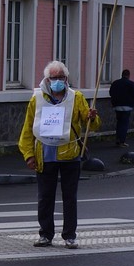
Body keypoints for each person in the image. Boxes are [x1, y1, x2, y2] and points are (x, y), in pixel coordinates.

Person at [19, 60, 100, 249]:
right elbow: (27, 130)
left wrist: (92, 117)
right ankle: (45, 234)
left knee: (69, 197)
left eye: (61, 78)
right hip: (44, 155)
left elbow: (92, 126)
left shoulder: (76, 97)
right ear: (47, 79)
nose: (57, 81)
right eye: (53, 78)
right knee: (45, 197)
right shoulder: (37, 98)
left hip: (70, 154)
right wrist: (28, 155)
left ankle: (69, 235)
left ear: (66, 79)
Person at [109, 69, 134, 148]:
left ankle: (118, 139)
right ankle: (122, 141)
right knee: (124, 124)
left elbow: (110, 93)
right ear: (128, 75)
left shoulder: (115, 83)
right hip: (127, 107)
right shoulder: (131, 83)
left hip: (117, 106)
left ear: (122, 75)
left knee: (119, 123)